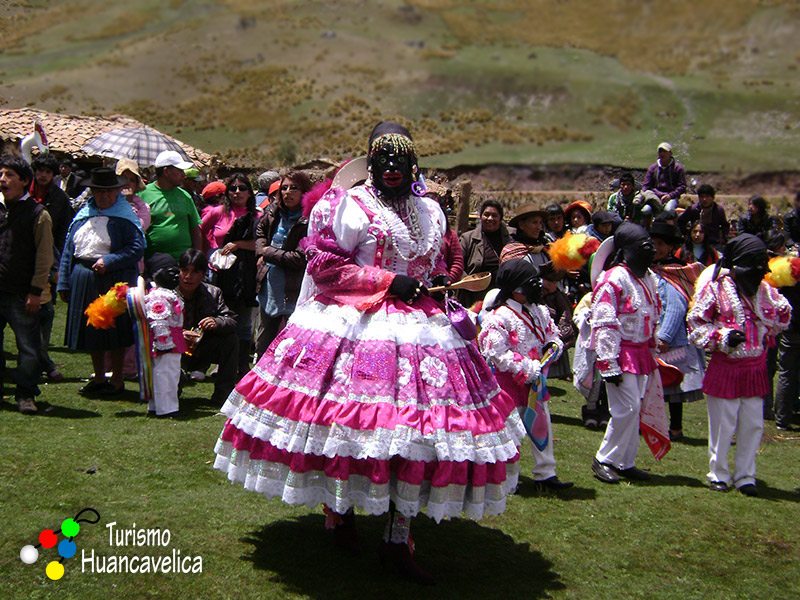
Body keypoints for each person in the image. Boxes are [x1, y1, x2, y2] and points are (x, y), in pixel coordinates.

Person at [212, 122, 525, 585]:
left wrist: (437, 279)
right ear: (370, 162)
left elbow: (436, 261)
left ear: (414, 163)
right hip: (357, 324)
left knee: (418, 436)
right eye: (383, 158)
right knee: (348, 427)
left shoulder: (431, 210)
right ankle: (340, 511)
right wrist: (387, 280)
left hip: (425, 333)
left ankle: (398, 538)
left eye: (401, 158)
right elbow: (325, 268)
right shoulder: (346, 204)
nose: (392, 167)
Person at [688, 234, 791, 495]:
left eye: (762, 265)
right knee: (723, 424)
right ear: (736, 265)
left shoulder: (765, 290)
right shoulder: (715, 289)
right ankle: (719, 473)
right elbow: (696, 324)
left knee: (753, 424)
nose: (759, 271)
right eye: (753, 264)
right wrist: (722, 337)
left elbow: (781, 317)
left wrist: (779, 312)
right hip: (726, 367)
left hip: (755, 367)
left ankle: (746, 475)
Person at [479, 260, 573, 492]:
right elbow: (496, 353)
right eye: (530, 282)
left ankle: (546, 473)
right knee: (511, 431)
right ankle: (507, 479)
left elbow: (552, 333)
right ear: (515, 288)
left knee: (543, 424)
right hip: (510, 385)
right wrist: (526, 368)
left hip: (536, 383)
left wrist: (553, 345)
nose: (537, 286)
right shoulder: (499, 317)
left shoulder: (539, 311)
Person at [589, 223, 666, 484]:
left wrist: (653, 344)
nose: (651, 250)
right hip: (620, 353)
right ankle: (604, 459)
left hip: (641, 353)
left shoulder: (648, 278)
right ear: (628, 250)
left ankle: (625, 461)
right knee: (627, 407)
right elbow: (604, 322)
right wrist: (608, 362)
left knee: (635, 408)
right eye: (645, 246)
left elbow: (652, 313)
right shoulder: (613, 279)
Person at [57, 168, 144, 396]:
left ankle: (116, 379)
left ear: (116, 192)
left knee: (115, 331)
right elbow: (69, 250)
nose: (104, 196)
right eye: (99, 191)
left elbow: (136, 248)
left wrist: (110, 261)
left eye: (108, 191)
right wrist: (64, 282)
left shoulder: (125, 217)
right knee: (92, 329)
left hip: (114, 280)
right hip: (84, 277)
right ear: (92, 192)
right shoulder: (83, 215)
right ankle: (98, 378)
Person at [0, 155, 54, 414]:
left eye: (9, 175)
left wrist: (35, 291)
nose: (3, 179)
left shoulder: (38, 214)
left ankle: (25, 394)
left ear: (23, 181)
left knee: (29, 348)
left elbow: (45, 256)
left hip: (22, 294)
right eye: (1, 174)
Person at [649, 222, 704, 442]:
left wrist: (664, 336)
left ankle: (675, 428)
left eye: (661, 244)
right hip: (655, 336)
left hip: (671, 340)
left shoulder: (674, 273)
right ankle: (656, 424)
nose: (656, 248)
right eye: (653, 243)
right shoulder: (653, 270)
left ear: (671, 247)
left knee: (674, 387)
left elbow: (675, 307)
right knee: (659, 385)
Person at [200, 173, 258, 376]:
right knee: (218, 317)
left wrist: (238, 244)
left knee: (243, 321)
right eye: (233, 188)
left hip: (246, 274)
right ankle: (212, 363)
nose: (237, 192)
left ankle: (241, 366)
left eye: (242, 188)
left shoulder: (257, 216)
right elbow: (199, 230)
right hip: (220, 274)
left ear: (250, 193)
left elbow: (262, 243)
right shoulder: (217, 212)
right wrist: (207, 253)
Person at [254, 171, 310, 359]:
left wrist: (267, 252)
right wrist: (261, 251)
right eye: (284, 188)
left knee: (293, 343)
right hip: (269, 284)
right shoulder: (274, 211)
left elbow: (299, 258)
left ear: (304, 191)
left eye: (294, 188)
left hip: (294, 288)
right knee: (264, 341)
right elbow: (260, 231)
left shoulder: (309, 219)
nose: (287, 192)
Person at [30, 153, 75, 383]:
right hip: (23, 257)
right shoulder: (24, 193)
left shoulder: (59, 198)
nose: (43, 175)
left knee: (45, 310)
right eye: (40, 171)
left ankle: (41, 363)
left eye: (47, 172)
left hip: (50, 255)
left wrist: (58, 264)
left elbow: (65, 231)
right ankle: (43, 364)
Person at [177, 249, 239, 404]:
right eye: (184, 270)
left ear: (203, 275)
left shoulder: (213, 292)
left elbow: (231, 320)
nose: (188, 276)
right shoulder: (167, 293)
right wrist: (179, 334)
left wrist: (217, 322)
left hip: (203, 348)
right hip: (175, 348)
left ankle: (223, 395)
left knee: (231, 340)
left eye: (195, 272)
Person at [140, 150, 202, 261]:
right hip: (154, 262)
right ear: (166, 171)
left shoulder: (185, 196)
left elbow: (195, 229)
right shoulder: (143, 194)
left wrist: (197, 257)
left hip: (183, 262)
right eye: (180, 170)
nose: (183, 175)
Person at [144, 254, 185, 417]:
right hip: (167, 343)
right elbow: (158, 319)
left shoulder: (167, 294)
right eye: (169, 271)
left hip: (172, 341)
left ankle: (157, 406)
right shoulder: (159, 297)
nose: (175, 274)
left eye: (176, 270)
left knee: (167, 374)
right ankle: (167, 409)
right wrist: (164, 342)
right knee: (166, 374)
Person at [458, 199, 512, 307]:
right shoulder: (467, 239)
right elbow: (457, 264)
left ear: (500, 218)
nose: (490, 219)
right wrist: (469, 283)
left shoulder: (510, 238)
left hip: (503, 296)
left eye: (494, 215)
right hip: (474, 297)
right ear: (481, 216)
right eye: (486, 215)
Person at [677, 184, 729, 250]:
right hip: (696, 241)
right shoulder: (693, 209)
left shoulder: (718, 210)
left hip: (713, 242)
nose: (704, 199)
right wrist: (686, 234)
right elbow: (681, 221)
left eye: (707, 196)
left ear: (712, 198)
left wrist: (723, 237)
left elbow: (725, 225)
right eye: (702, 196)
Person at [642, 142, 687, 211]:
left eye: (665, 151)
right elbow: (646, 185)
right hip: (655, 196)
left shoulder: (678, 168)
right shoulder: (652, 168)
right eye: (660, 151)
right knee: (646, 210)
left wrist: (670, 195)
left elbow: (682, 186)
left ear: (670, 153)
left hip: (672, 197)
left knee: (668, 209)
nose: (662, 154)